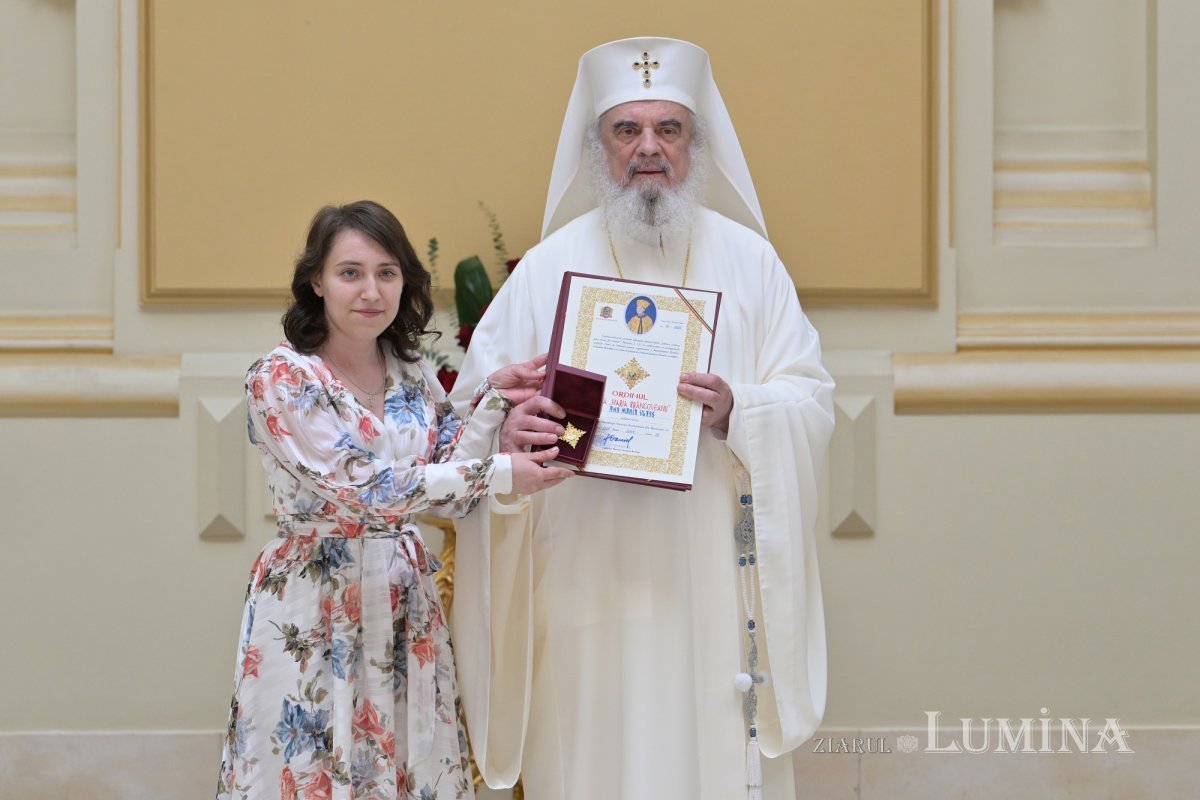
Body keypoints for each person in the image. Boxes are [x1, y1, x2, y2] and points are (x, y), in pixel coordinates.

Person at [449, 38, 835, 800]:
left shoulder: (752, 263)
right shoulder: (546, 269)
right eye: (627, 130)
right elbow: (476, 412)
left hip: (712, 586)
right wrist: (508, 429)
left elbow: (811, 398)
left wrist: (740, 410)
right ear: (598, 147)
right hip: (585, 579)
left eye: (670, 129)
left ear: (696, 144)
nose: (648, 149)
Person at [215, 200, 572, 800]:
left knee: (410, 769)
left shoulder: (409, 370)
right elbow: (365, 493)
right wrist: (502, 472)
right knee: (308, 772)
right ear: (316, 281)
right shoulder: (282, 378)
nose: (371, 291)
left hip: (403, 601)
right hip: (313, 600)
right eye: (350, 272)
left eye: (387, 272)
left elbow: (450, 488)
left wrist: (491, 401)